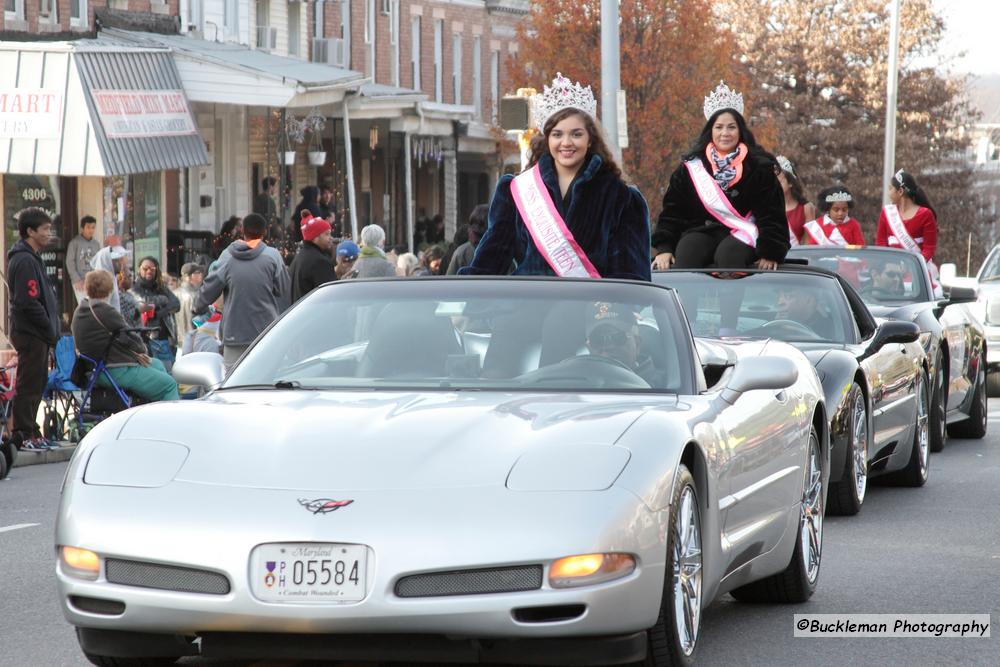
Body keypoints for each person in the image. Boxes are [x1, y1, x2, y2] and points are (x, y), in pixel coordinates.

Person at [460, 73, 650, 280]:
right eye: (557, 134)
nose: (566, 142)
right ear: (547, 139)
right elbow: (491, 258)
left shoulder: (621, 197)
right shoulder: (516, 190)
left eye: (576, 134)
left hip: (592, 308)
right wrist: (465, 299)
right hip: (530, 305)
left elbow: (631, 274)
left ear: (590, 140)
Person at [652, 81, 786, 271]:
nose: (725, 133)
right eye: (719, 127)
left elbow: (772, 213)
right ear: (710, 131)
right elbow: (673, 212)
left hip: (744, 232)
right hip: (701, 231)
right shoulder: (691, 167)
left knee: (729, 256)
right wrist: (664, 247)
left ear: (740, 131)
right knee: (688, 252)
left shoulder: (759, 166)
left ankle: (729, 302)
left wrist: (770, 251)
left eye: (731, 127)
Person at [194, 213, 291, 371]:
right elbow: (283, 288)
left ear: (243, 231)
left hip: (235, 333)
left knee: (234, 383)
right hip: (266, 332)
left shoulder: (227, 256)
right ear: (264, 232)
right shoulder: (273, 256)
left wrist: (197, 306)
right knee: (265, 381)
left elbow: (210, 287)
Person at [72, 270, 180, 403]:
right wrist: (141, 350)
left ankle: (151, 409)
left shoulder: (80, 309)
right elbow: (129, 336)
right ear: (110, 289)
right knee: (169, 385)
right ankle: (170, 420)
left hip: (95, 369)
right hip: (115, 369)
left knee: (157, 364)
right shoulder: (104, 310)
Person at [7, 208, 60, 450]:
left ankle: (31, 430)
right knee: (29, 384)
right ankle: (22, 434)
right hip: (31, 334)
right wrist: (48, 328)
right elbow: (27, 301)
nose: (49, 233)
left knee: (38, 383)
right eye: (45, 229)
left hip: (38, 334)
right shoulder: (24, 259)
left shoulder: (33, 257)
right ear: (30, 231)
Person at [584, 302, 660, 386]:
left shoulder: (661, 388)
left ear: (637, 343)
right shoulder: (578, 385)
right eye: (597, 340)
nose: (608, 346)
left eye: (618, 337)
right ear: (589, 348)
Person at [876, 169, 938, 264]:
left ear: (900, 191)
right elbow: (881, 243)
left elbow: (929, 249)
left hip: (916, 272)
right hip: (891, 271)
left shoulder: (926, 214)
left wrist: (912, 267)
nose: (888, 193)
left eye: (890, 189)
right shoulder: (887, 212)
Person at [131, 256, 181, 371]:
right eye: (145, 268)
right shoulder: (134, 287)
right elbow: (143, 303)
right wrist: (163, 300)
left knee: (168, 374)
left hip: (163, 338)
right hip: (143, 339)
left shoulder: (161, 287)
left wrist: (158, 313)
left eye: (152, 269)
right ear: (139, 269)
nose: (149, 271)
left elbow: (176, 304)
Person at [289, 211, 336, 303]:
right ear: (315, 237)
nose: (331, 238)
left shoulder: (299, 257)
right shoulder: (320, 262)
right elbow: (330, 295)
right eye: (327, 234)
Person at [774, 156, 815, 246]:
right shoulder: (766, 208)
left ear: (790, 183)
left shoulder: (806, 208)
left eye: (779, 182)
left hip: (796, 257)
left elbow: (809, 241)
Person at [65, 215, 100, 305]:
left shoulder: (96, 244)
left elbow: (99, 262)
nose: (91, 230)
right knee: (84, 306)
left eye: (93, 227)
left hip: (93, 282)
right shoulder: (74, 243)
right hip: (80, 282)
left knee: (95, 306)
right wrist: (76, 279)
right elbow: (70, 262)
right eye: (88, 227)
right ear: (82, 228)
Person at [89, 237, 129, 313]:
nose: (122, 263)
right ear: (109, 262)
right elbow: (102, 312)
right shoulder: (102, 283)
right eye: (118, 260)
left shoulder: (111, 279)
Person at [447, 204, 488, 274]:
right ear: (469, 229)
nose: (476, 240)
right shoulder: (461, 254)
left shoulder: (501, 254)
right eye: (474, 233)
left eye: (481, 235)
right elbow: (449, 282)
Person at [173, 262, 205, 345]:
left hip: (179, 343)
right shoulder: (197, 296)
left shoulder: (173, 294)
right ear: (188, 277)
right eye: (197, 273)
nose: (201, 275)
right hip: (195, 342)